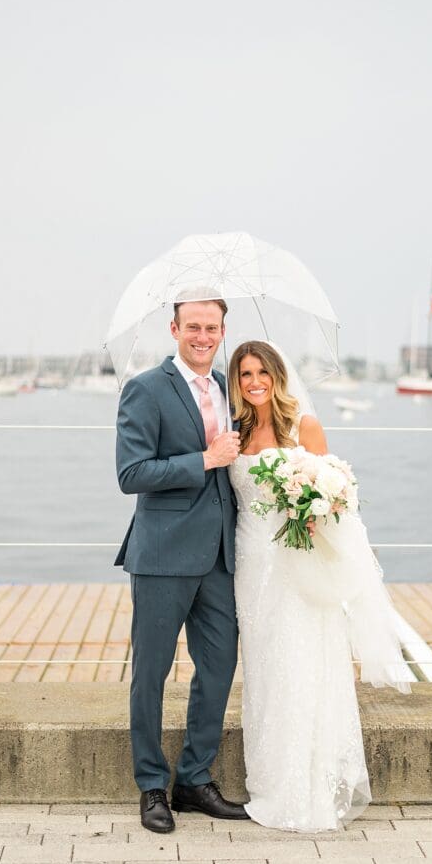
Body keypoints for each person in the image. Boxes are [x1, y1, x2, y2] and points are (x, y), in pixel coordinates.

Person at [227, 340, 411, 832]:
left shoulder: (302, 426)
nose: (254, 382)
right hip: (249, 564)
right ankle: (269, 781)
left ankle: (306, 788)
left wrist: (312, 512)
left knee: (303, 662)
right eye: (244, 374)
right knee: (265, 668)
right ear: (236, 381)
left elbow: (335, 499)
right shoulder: (234, 432)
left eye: (261, 372)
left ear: (277, 375)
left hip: (295, 561)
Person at [114, 292, 250, 833]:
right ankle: (151, 786)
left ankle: (193, 780)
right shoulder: (145, 389)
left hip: (220, 555)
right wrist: (203, 459)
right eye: (192, 326)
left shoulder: (227, 388)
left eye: (212, 328)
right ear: (174, 328)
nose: (203, 336)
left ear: (222, 332)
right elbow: (131, 474)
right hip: (163, 554)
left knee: (218, 669)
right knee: (149, 674)